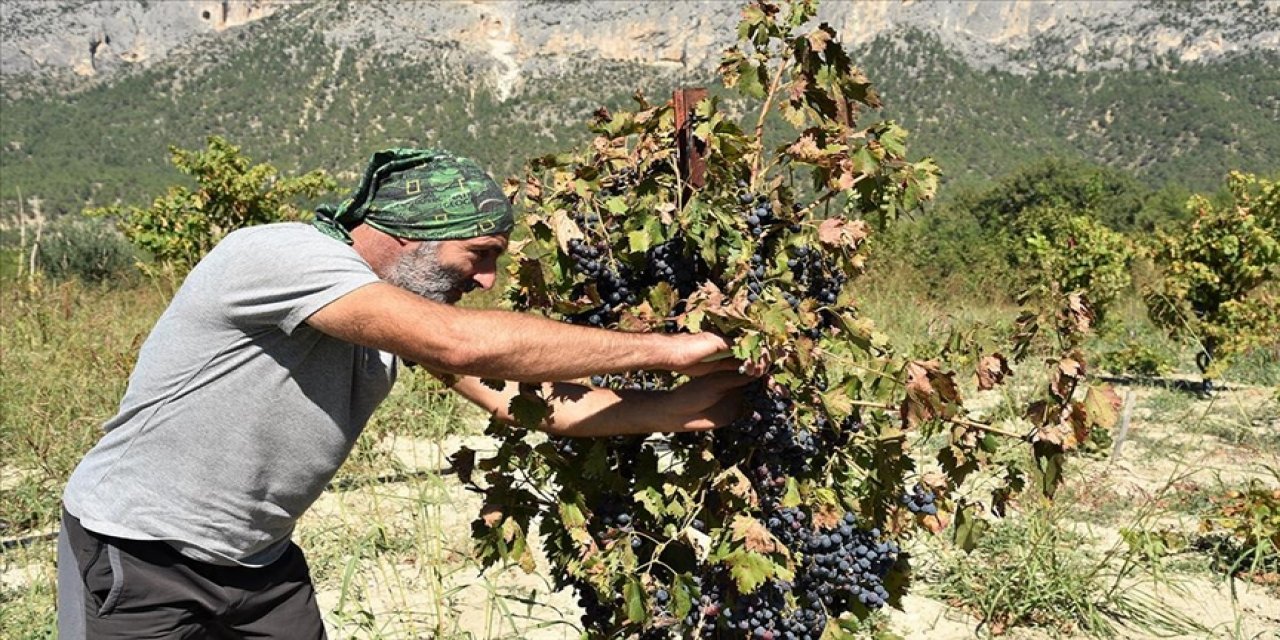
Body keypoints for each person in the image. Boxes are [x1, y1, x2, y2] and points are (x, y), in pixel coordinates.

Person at [57, 148, 756, 639]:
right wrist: (673, 353)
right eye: (476, 255)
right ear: (405, 235)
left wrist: (690, 407)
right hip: (140, 553)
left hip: (260, 566)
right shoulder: (276, 254)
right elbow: (461, 344)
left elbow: (522, 402)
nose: (486, 281)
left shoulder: (389, 310)